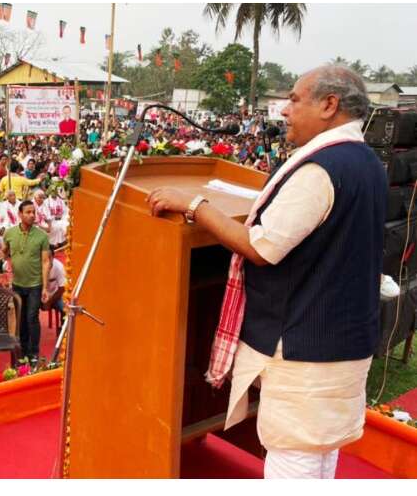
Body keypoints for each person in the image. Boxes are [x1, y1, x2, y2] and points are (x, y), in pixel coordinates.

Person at [145, 65, 384, 479]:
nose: (284, 111)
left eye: (294, 99)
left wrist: (194, 205)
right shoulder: (365, 160)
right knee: (320, 459)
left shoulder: (320, 170)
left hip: (305, 354)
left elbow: (260, 247)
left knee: (295, 464)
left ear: (329, 105)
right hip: (341, 345)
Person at [2, 200, 51, 363]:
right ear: (20, 214)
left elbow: (45, 262)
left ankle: (34, 353)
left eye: (33, 212)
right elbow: (4, 253)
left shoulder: (42, 236)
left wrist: (45, 287)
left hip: (35, 285)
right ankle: (22, 351)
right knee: (21, 318)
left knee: (32, 317)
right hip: (17, 284)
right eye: (28, 212)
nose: (32, 215)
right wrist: (6, 269)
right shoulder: (9, 233)